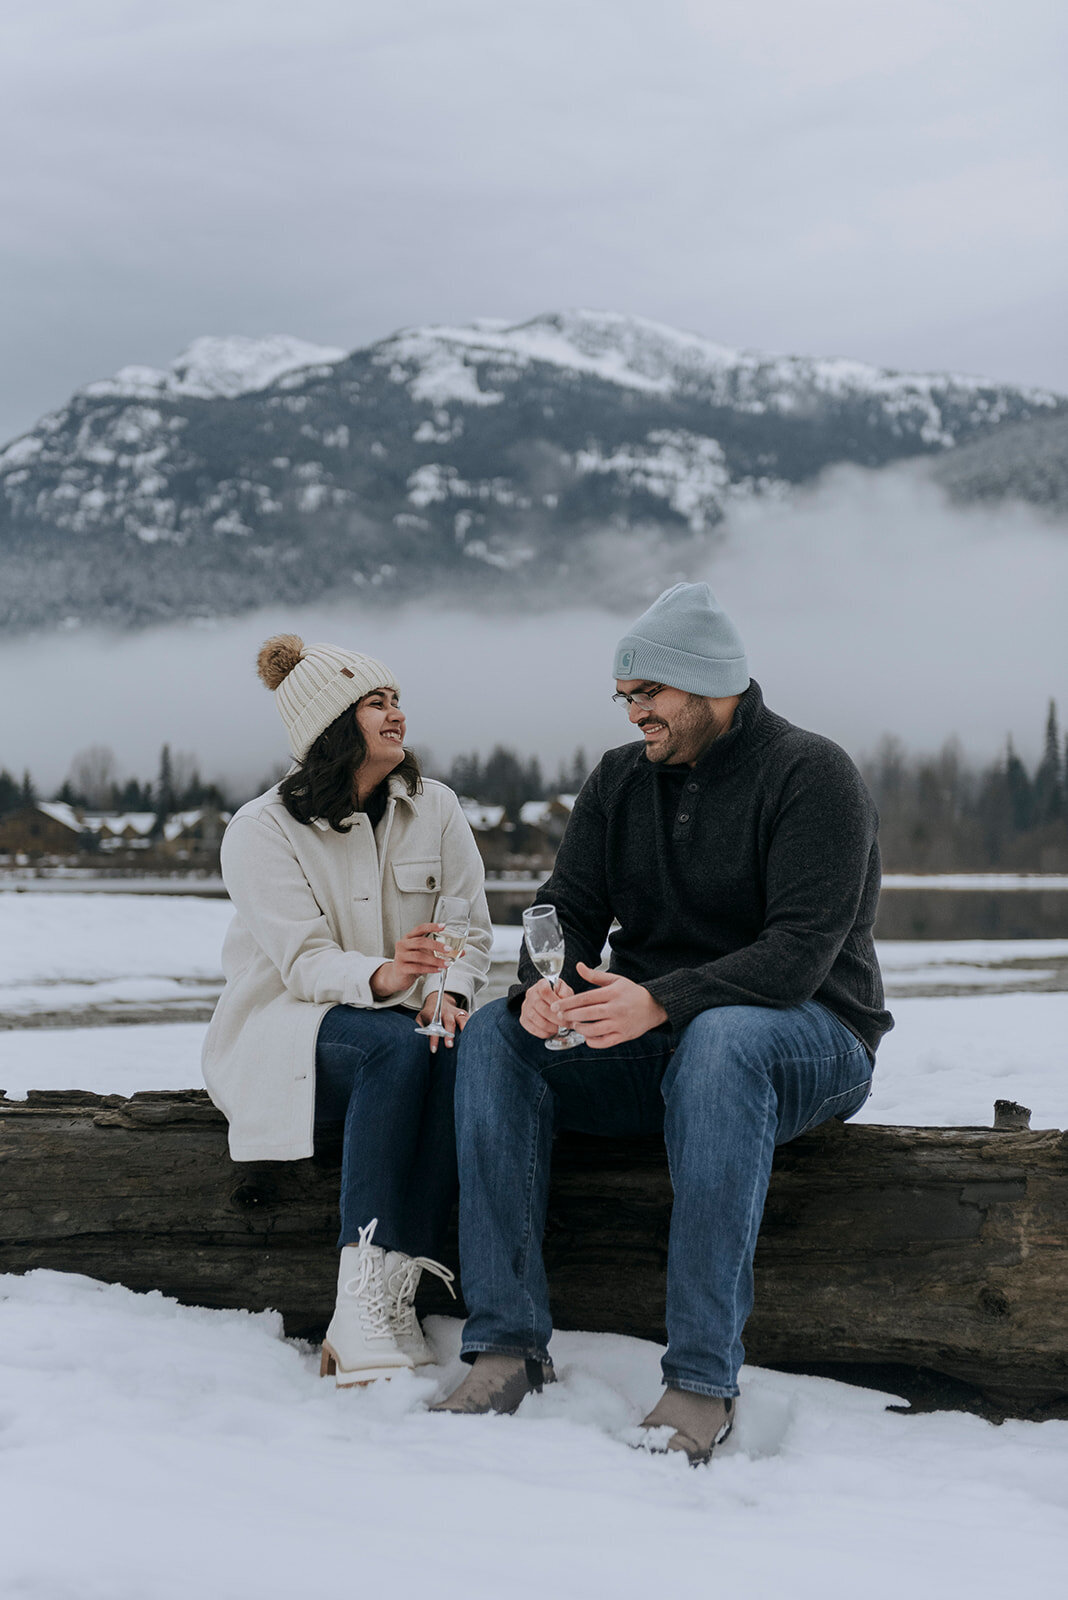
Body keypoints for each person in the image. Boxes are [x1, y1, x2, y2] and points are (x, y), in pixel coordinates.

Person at [433, 584, 892, 1462]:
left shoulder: (813, 774)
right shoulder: (616, 780)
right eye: (624, 696)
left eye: (647, 694)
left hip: (811, 1037)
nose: (632, 710)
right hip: (653, 1037)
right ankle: (506, 1348)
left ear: (707, 686)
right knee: (497, 1036)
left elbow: (797, 956)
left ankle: (700, 1383)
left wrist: (662, 1000)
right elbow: (567, 905)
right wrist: (548, 980)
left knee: (720, 1042)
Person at [202, 633, 491, 1386]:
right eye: (375, 703)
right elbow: (302, 964)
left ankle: (394, 1300)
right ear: (333, 725)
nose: (396, 714)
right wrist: (391, 975)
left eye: (396, 700)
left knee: (452, 1048)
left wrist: (447, 992)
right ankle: (356, 1301)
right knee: (391, 1048)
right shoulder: (261, 830)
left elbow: (469, 932)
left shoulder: (438, 809)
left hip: (400, 1025)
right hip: (287, 1032)